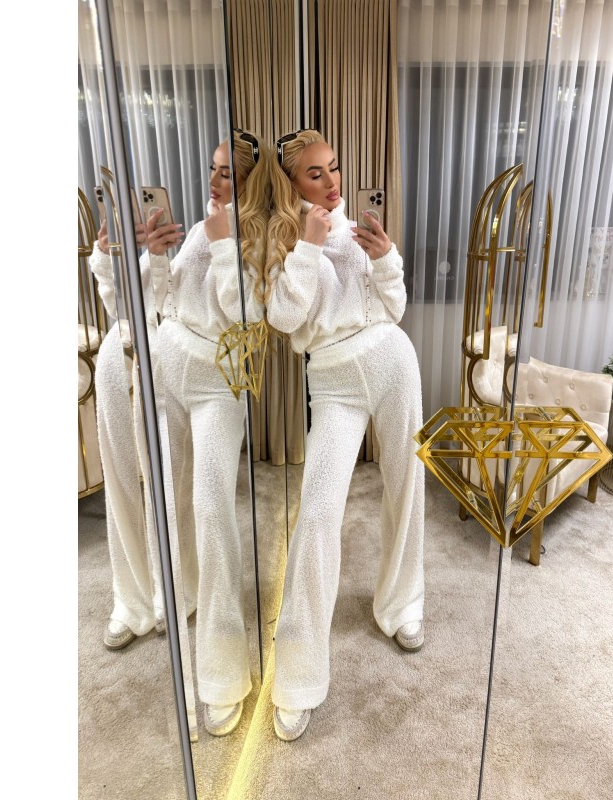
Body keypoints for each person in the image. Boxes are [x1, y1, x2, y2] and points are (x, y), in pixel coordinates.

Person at [264, 129, 425, 742]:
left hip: (393, 361)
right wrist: (308, 244)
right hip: (333, 382)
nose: (332, 183)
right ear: (291, 182)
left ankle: (401, 604)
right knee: (317, 515)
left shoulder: (357, 230)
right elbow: (284, 318)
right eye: (315, 173)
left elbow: (395, 307)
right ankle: (298, 676)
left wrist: (384, 257)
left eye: (334, 168)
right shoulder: (281, 241)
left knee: (406, 486)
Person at [145, 129, 270, 737]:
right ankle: (181, 592)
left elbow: (249, 314)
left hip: (219, 383)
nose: (215, 181)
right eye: (213, 168)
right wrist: (154, 255)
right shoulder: (201, 224)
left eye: (228, 173)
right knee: (170, 493)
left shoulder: (262, 236)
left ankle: (221, 675)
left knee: (214, 510)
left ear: (250, 182)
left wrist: (224, 243)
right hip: (167, 367)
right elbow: (165, 296)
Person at [89, 211, 174, 652]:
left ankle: (170, 590)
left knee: (165, 485)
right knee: (120, 483)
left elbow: (171, 309)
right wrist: (106, 254)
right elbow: (115, 307)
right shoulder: (128, 257)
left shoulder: (191, 244)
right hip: (114, 360)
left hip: (158, 369)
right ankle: (129, 599)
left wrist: (158, 257)